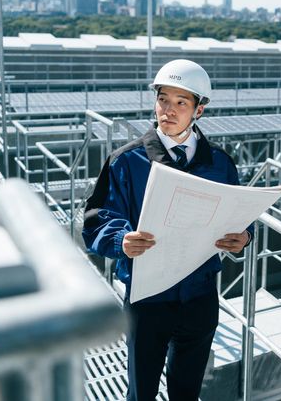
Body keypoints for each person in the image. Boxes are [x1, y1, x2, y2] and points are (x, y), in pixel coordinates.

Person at [83, 59, 252, 401]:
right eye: (163, 99)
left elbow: (239, 214)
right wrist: (121, 239)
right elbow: (97, 217)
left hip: (200, 296)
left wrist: (245, 237)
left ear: (199, 110)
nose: (168, 110)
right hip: (148, 299)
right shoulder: (126, 161)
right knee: (141, 392)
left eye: (180, 102)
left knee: (187, 391)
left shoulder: (220, 163)